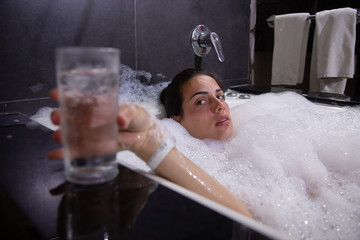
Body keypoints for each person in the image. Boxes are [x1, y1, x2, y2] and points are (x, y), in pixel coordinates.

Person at [48, 69, 253, 219]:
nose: (220, 106)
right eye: (201, 101)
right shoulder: (189, 154)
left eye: (220, 96)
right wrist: (148, 143)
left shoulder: (254, 143)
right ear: (177, 120)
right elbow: (246, 223)